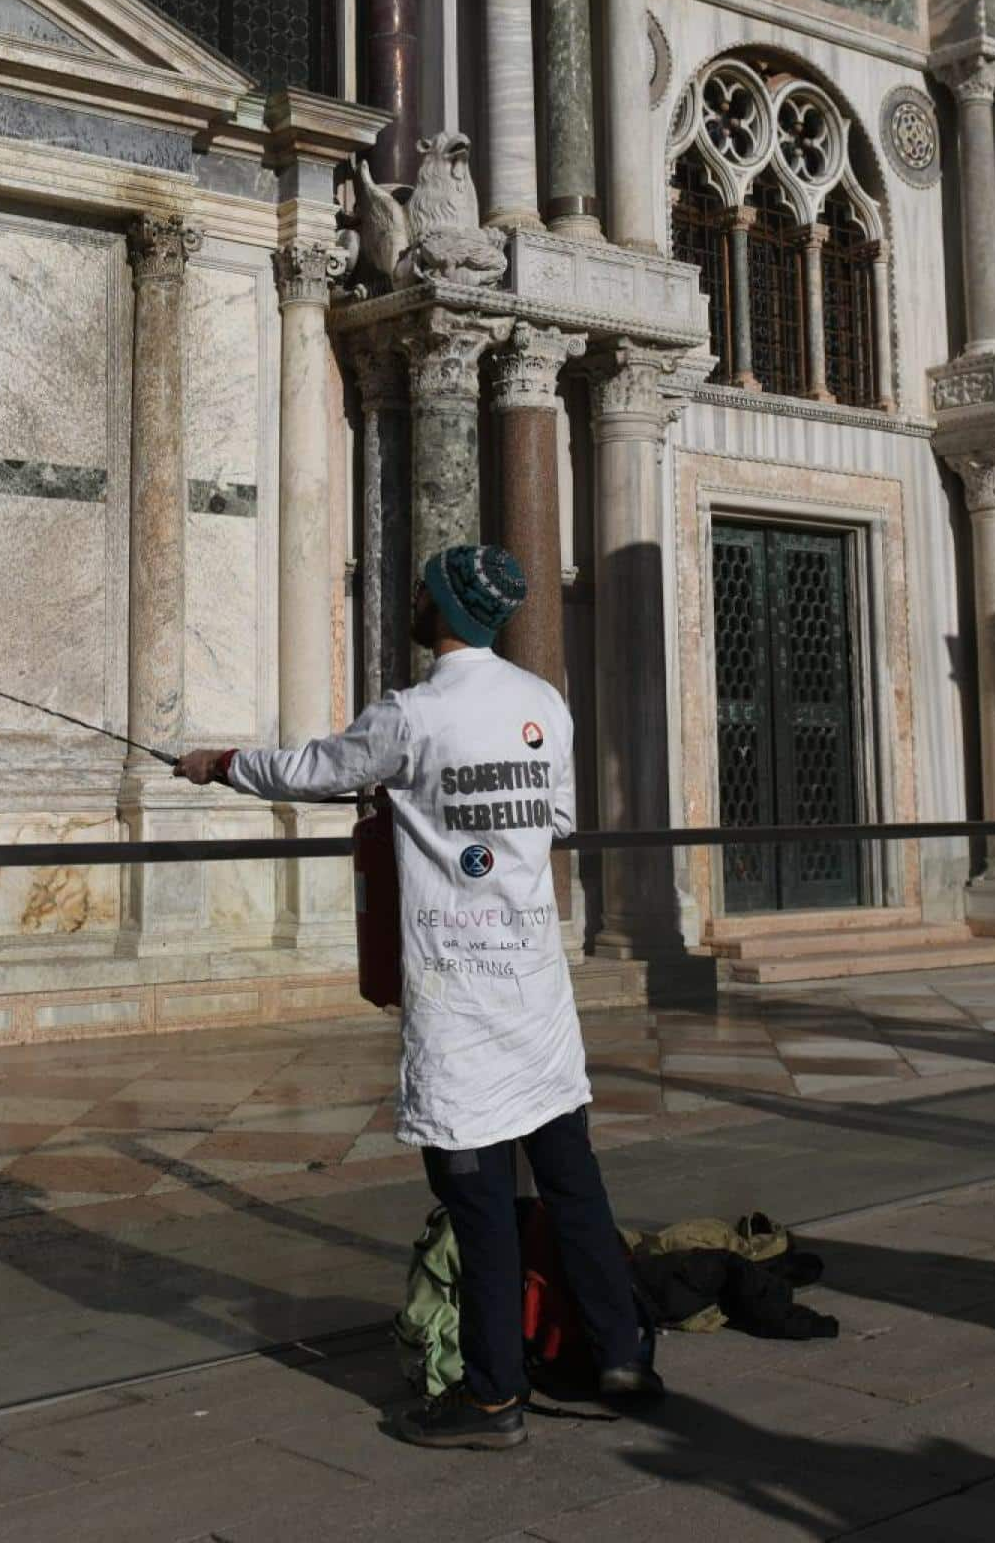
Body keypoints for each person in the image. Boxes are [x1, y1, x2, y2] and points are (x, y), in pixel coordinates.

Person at [177, 543, 659, 1449]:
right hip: (535, 989)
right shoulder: (540, 703)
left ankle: (491, 1400)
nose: (411, 601)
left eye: (419, 590)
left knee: (478, 1203)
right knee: (572, 1180)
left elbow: (312, 768)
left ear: (441, 611)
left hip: (462, 997)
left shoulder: (412, 715)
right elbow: (555, 818)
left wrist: (218, 762)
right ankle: (620, 1355)